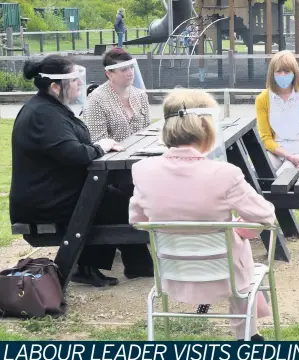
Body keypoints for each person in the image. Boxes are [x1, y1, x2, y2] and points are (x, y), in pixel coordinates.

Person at [129, 88, 275, 341]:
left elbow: (138, 221)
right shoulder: (224, 174)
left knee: (234, 242)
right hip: (225, 276)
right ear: (207, 128)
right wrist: (240, 229)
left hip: (172, 274)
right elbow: (266, 215)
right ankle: (247, 336)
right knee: (238, 247)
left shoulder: (142, 170)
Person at [10, 55, 154, 288]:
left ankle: (132, 264)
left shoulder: (50, 108)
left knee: (116, 200)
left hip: (56, 191)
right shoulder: (43, 114)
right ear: (55, 86)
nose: (80, 83)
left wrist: (96, 147)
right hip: (44, 200)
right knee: (117, 204)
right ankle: (91, 266)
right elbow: (73, 154)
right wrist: (99, 147)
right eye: (74, 80)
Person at [255, 50, 299, 225]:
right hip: (275, 148)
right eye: (279, 71)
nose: (283, 75)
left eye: (287, 71)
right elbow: (266, 138)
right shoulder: (263, 99)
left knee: (287, 170)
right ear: (272, 73)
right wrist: (288, 155)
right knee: (257, 170)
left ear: (294, 73)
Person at [83, 48, 150, 143]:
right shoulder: (96, 100)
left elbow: (149, 133)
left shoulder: (141, 95)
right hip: (112, 157)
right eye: (124, 70)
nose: (130, 72)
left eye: (131, 67)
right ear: (109, 74)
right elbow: (98, 142)